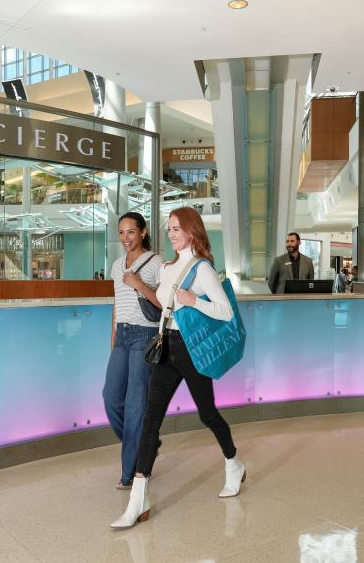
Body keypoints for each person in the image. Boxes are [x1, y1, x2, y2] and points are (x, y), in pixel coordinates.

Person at [111, 206, 245, 528]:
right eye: (169, 228)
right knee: (150, 420)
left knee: (207, 414)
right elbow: (160, 308)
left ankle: (233, 464)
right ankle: (137, 500)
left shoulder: (203, 269)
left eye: (176, 228)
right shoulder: (168, 267)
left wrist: (193, 300)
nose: (171, 234)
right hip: (166, 347)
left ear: (192, 231)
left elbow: (226, 312)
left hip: (192, 350)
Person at [103, 212, 163, 491]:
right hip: (123, 336)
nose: (125, 238)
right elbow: (117, 302)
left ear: (142, 232)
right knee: (112, 398)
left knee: (136, 404)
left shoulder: (155, 263)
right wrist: (113, 335)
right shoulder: (116, 265)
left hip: (144, 335)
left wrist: (140, 284)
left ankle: (132, 470)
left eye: (131, 232)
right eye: (121, 232)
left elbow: (164, 304)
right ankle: (146, 443)